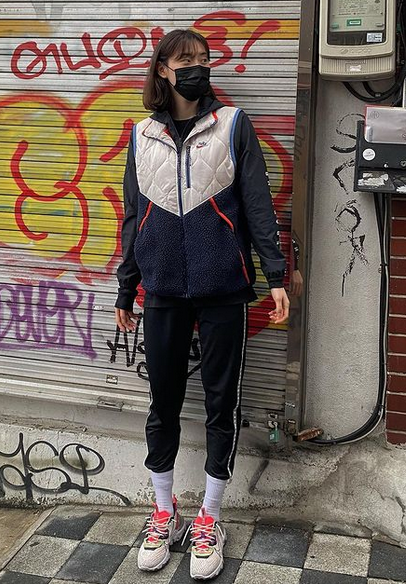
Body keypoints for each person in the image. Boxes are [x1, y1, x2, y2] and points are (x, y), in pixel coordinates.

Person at [114, 28, 290, 581]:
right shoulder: (142, 134)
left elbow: (257, 205)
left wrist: (276, 276)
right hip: (162, 289)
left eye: (203, 59)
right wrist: (126, 287)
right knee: (162, 403)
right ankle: (163, 512)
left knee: (220, 404)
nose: (196, 68)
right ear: (162, 70)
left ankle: (209, 517)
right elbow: (132, 216)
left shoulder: (233, 125)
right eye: (185, 60)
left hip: (223, 289)